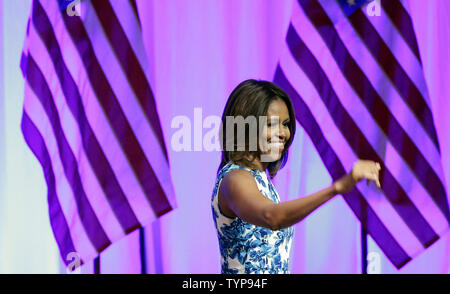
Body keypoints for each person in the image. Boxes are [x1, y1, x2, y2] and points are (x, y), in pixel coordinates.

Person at [211, 79, 381, 274]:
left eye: (286, 124)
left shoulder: (260, 178)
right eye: (272, 124)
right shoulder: (235, 178)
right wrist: (337, 188)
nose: (284, 132)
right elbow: (272, 216)